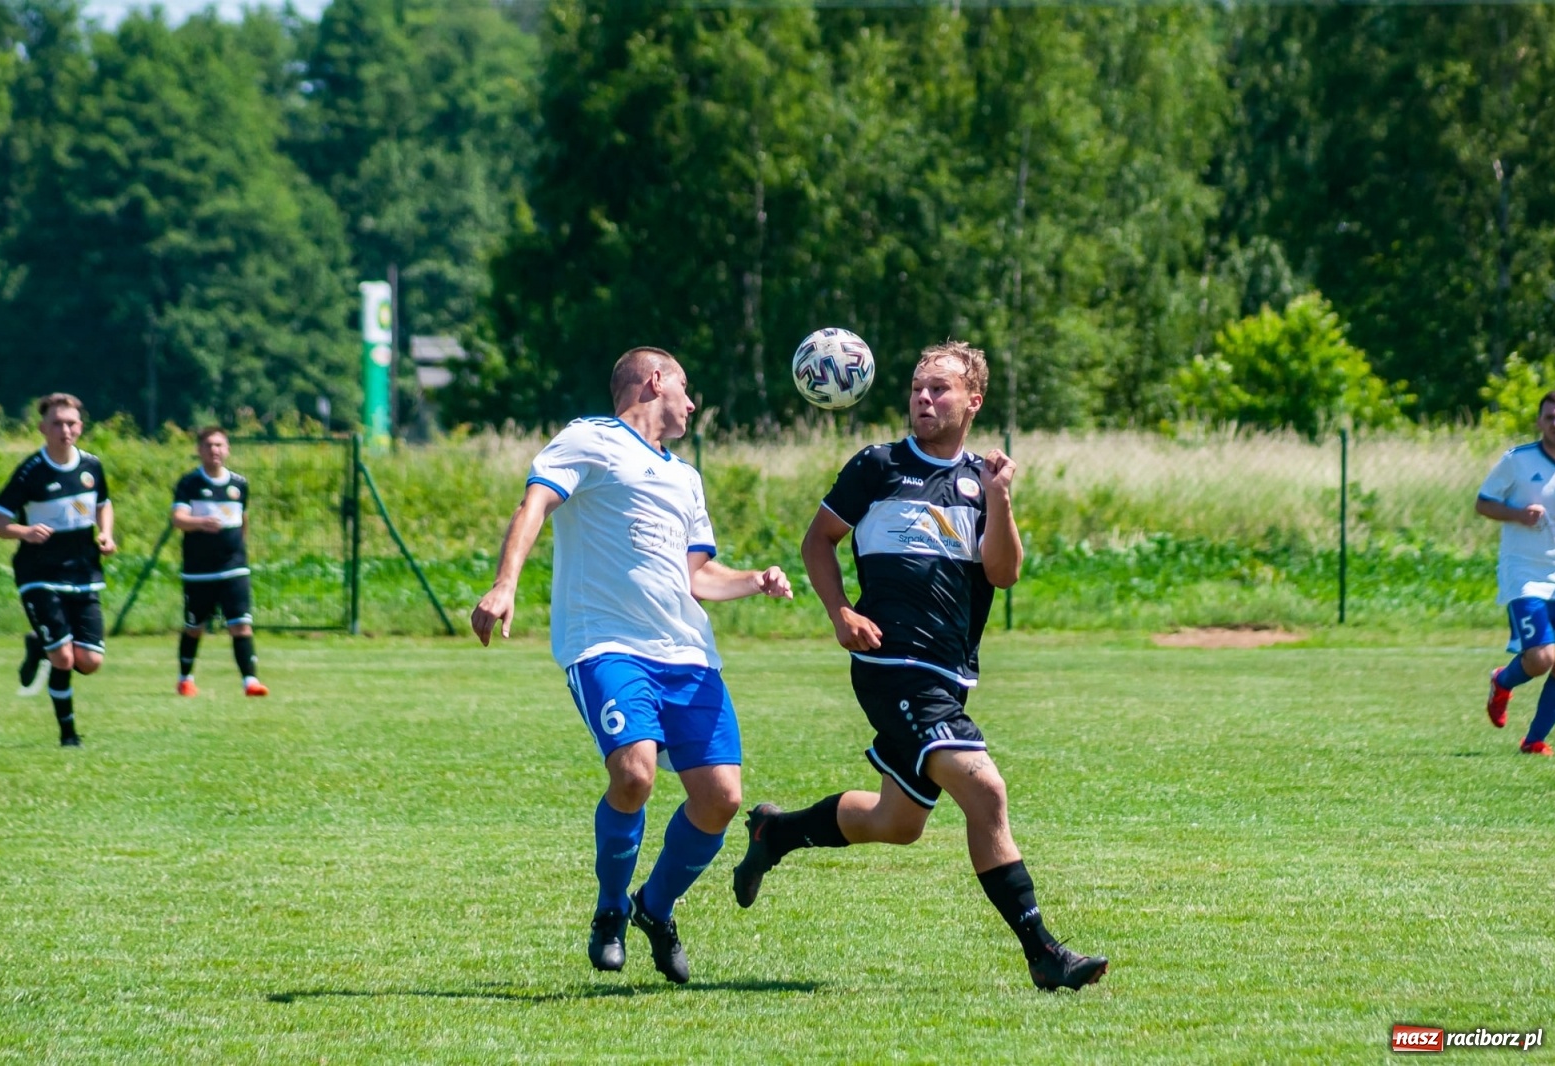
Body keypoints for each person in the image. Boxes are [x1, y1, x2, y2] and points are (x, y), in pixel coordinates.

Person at [730, 341, 1109, 991]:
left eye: (939, 389)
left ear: (973, 400)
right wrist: (840, 612)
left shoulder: (982, 482)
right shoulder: (878, 466)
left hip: (948, 674)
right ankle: (1045, 954)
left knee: (897, 823)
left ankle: (777, 832)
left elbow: (1003, 573)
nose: (924, 399)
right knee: (985, 790)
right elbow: (818, 541)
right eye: (916, 389)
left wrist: (1002, 499)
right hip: (890, 663)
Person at [471, 346, 793, 984]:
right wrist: (505, 583)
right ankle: (611, 908)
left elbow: (698, 576)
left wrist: (754, 579)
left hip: (688, 655)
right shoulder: (590, 438)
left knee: (722, 798)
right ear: (654, 381)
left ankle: (656, 907)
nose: (692, 403)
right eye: (685, 387)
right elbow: (534, 504)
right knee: (634, 773)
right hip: (606, 644)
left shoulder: (686, 478)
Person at [0, 393, 116, 746]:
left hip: (83, 572)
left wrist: (106, 533)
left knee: (89, 661)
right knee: (62, 657)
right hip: (39, 573)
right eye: (57, 423)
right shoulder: (30, 471)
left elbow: (104, 504)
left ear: (81, 427)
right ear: (43, 428)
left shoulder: (91, 466)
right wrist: (25, 531)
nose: (65, 430)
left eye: (71, 423)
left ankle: (38, 645)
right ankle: (68, 735)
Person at [1478, 390, 1555, 756]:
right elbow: (1483, 503)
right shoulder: (1518, 460)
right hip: (1524, 574)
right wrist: (1518, 515)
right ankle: (1502, 680)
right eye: (1550, 416)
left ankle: (1534, 740)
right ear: (1539, 421)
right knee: (1541, 659)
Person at [171, 426, 268, 697]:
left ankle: (250, 682)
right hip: (199, 572)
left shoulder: (239, 484)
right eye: (209, 445)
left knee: (241, 625)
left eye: (219, 445)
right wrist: (200, 522)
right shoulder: (189, 483)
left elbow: (243, 520)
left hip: (234, 569)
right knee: (195, 628)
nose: (214, 450)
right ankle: (185, 678)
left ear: (227, 449)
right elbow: (178, 519)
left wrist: (238, 548)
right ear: (199, 450)